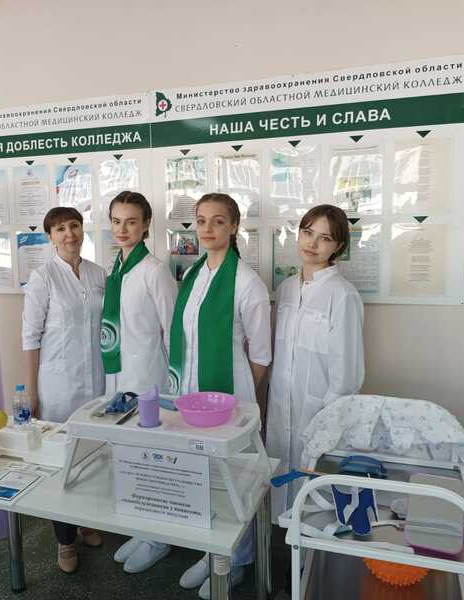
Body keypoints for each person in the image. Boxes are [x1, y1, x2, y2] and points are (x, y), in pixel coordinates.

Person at [169, 193, 271, 599]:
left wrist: (242, 402)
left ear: (234, 226)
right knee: (200, 473)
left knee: (233, 479)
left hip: (230, 395)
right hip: (191, 394)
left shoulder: (246, 281)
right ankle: (207, 550)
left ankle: (236, 560)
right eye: (201, 220)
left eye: (218, 221)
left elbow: (261, 354)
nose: (208, 229)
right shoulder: (194, 275)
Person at [266, 204, 365, 520]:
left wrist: (328, 421)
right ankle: (279, 542)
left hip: (318, 412)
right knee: (279, 489)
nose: (312, 243)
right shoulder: (285, 290)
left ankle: (308, 546)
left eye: (325, 238)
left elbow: (347, 372)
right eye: (308, 233)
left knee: (315, 497)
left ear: (338, 246)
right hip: (281, 406)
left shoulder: (342, 294)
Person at [22, 206, 106, 573]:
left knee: (94, 454)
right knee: (63, 460)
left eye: (74, 226)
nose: (68, 233)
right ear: (50, 237)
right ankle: (65, 539)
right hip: (58, 383)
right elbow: (30, 337)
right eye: (59, 229)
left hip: (97, 380)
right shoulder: (43, 277)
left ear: (82, 230)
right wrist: (31, 393)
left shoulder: (98, 274)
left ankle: (86, 521)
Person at [103, 191, 178, 574]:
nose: (122, 229)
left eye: (131, 222)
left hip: (149, 379)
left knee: (152, 459)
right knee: (127, 456)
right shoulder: (116, 269)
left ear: (146, 225)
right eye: (117, 221)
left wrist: (176, 387)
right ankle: (141, 527)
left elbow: (173, 330)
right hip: (119, 377)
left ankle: (159, 538)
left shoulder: (154, 271)